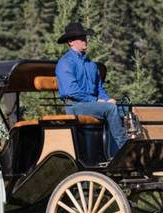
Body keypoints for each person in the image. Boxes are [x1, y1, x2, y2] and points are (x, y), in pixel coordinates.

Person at [55, 22, 129, 159]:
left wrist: (106, 99)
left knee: (125, 108)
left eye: (85, 37)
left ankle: (114, 150)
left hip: (92, 104)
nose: (85, 41)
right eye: (81, 38)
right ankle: (121, 151)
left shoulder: (91, 65)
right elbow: (73, 92)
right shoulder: (65, 63)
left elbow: (99, 88)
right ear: (71, 42)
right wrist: (96, 100)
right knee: (110, 109)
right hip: (74, 105)